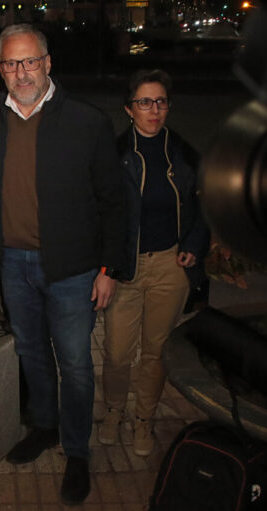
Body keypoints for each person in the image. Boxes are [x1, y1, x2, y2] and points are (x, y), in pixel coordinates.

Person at [0, 24, 125, 505]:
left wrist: (109, 269)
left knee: (76, 363)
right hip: (13, 263)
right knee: (31, 352)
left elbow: (114, 201)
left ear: (47, 63)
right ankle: (44, 426)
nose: (20, 72)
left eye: (29, 61)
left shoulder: (87, 121)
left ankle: (77, 450)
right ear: (1, 70)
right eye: (10, 63)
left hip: (73, 269)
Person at [99, 69, 210, 457]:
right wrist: (105, 269)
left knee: (156, 351)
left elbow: (206, 203)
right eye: (144, 102)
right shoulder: (114, 155)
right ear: (129, 109)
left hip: (169, 266)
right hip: (125, 268)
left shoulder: (183, 153)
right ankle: (114, 410)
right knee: (117, 351)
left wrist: (194, 244)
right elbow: (102, 215)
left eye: (160, 101)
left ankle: (143, 418)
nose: (154, 110)